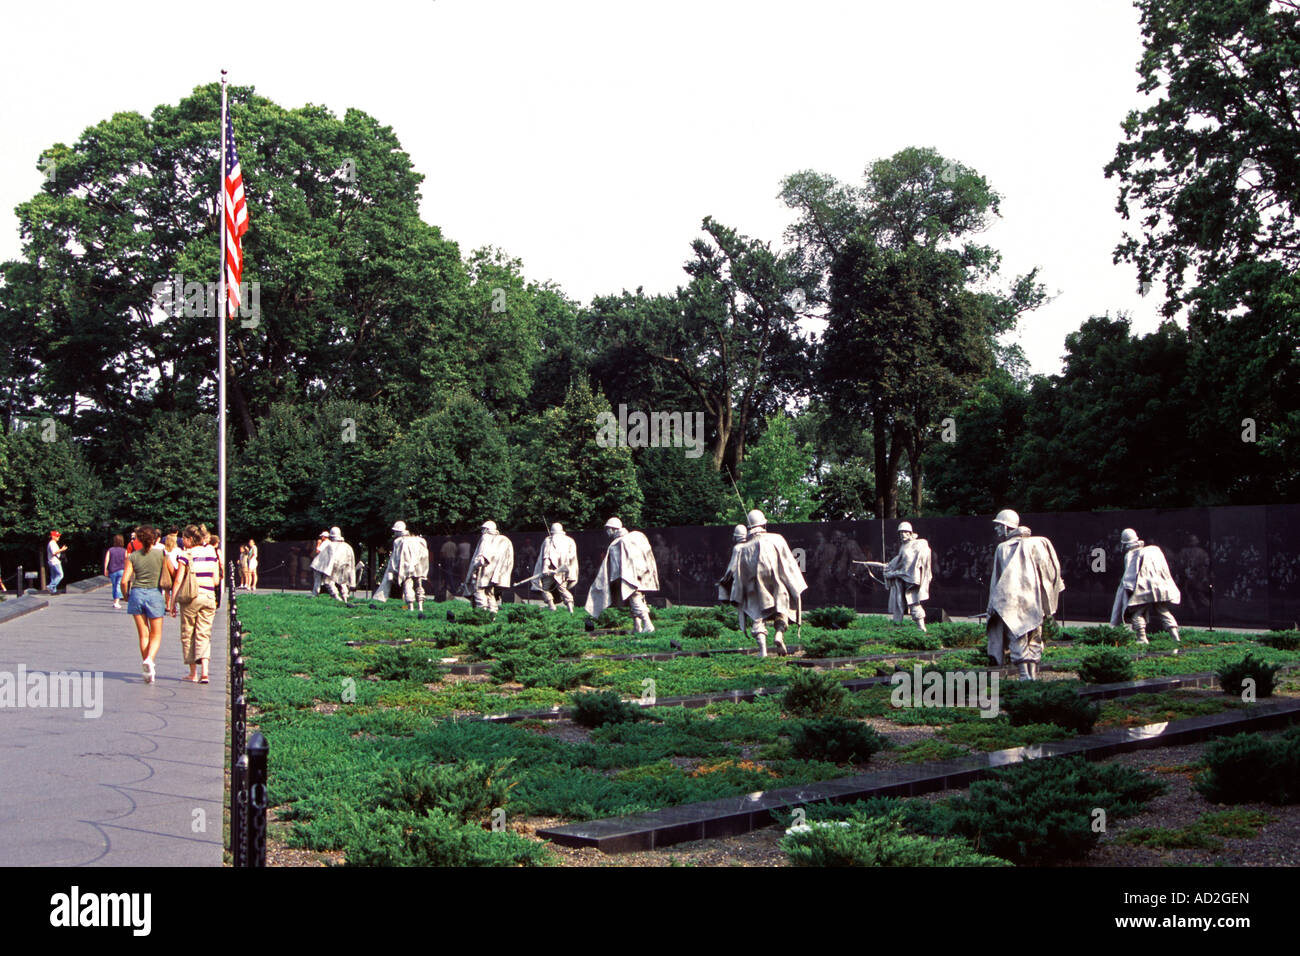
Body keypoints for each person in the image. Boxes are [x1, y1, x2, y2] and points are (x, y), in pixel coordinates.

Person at [986, 509, 1064, 681]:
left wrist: (992, 603)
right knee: (1034, 636)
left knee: (1017, 636)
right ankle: (1031, 675)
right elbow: (1049, 571)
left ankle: (1025, 675)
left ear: (1007, 527)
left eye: (999, 526)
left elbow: (997, 579)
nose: (997, 530)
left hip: (1012, 601)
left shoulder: (1003, 548)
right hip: (1033, 600)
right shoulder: (1037, 544)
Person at [722, 510, 806, 657]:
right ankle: (779, 633)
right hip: (776, 580)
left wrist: (724, 585)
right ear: (764, 523)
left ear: (750, 527)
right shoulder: (777, 538)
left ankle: (763, 651)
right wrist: (794, 583)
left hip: (754, 586)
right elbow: (789, 563)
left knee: (757, 613)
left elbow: (732, 571)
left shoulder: (744, 548)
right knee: (782, 606)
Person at [586, 517, 660, 633]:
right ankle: (637, 626)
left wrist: (615, 579)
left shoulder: (618, 542)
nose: (607, 532)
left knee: (635, 601)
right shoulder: (633, 538)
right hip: (641, 576)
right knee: (635, 600)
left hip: (628, 578)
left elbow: (618, 565)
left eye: (608, 529)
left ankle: (648, 624)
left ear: (614, 529)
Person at [1110, 528, 1182, 643]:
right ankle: (1175, 637)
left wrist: (1128, 591)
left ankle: (1142, 638)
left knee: (1136, 612)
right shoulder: (1153, 551)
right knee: (1163, 610)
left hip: (1143, 589)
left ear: (1124, 543)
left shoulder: (1131, 555)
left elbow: (1130, 576)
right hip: (1159, 588)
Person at [172, 525, 221, 683]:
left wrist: (172, 602)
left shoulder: (186, 554)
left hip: (191, 597)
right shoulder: (212, 552)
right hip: (208, 596)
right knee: (204, 633)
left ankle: (193, 673)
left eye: (184, 539)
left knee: (188, 633)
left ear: (190, 539)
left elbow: (179, 579)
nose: (183, 541)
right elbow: (215, 580)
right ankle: (205, 673)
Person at [863, 521, 933, 631]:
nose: (902, 535)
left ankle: (921, 627)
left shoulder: (919, 544)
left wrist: (892, 573)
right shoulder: (904, 547)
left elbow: (908, 566)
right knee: (898, 601)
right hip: (902, 578)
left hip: (911, 579)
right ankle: (897, 626)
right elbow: (896, 562)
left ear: (910, 533)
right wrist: (885, 568)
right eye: (900, 533)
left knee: (913, 602)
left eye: (904, 532)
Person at [121, 525, 168, 682]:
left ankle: (148, 667)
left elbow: (124, 580)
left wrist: (125, 595)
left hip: (137, 593)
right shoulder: (161, 554)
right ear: (155, 538)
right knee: (156, 634)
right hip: (154, 593)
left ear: (139, 539)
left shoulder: (133, 556)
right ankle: (150, 660)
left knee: (143, 633)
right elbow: (170, 573)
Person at [374, 521, 430, 612]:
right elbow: (424, 555)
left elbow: (394, 558)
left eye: (395, 531)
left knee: (408, 585)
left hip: (406, 568)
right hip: (419, 568)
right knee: (419, 585)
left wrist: (392, 570)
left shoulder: (398, 541)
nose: (394, 533)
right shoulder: (419, 540)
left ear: (399, 531)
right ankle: (420, 607)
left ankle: (411, 608)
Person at [464, 521, 514, 614]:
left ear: (486, 529)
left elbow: (483, 557)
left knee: (478, 591)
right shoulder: (501, 539)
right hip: (492, 574)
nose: (482, 531)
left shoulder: (486, 537)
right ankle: (493, 613)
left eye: (483, 529)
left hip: (482, 571)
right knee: (490, 593)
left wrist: (474, 568)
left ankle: (482, 614)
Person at [532, 523, 579, 612]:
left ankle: (560, 606)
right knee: (555, 588)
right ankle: (559, 607)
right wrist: (546, 568)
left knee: (550, 589)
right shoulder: (565, 541)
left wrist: (550, 568)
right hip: (553, 571)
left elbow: (570, 558)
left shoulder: (553, 540)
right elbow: (547, 556)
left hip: (561, 572)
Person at [716, 524, 751, 633]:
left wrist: (724, 579)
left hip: (741, 582)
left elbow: (732, 567)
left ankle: (742, 628)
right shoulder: (751, 545)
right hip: (752, 580)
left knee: (740, 605)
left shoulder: (737, 548)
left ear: (736, 536)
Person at [322, 527, 357, 603]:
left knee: (328, 581)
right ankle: (345, 597)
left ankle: (336, 596)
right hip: (345, 568)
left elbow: (323, 559)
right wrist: (353, 582)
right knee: (343, 583)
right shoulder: (348, 547)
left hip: (334, 567)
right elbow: (352, 564)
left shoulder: (330, 545)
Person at [103, 534, 128, 609]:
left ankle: (115, 600)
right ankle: (116, 602)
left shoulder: (110, 550)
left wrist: (105, 569)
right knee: (118, 585)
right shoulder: (124, 550)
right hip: (121, 569)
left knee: (114, 585)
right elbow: (127, 560)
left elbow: (107, 559)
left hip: (112, 570)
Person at [162, 533, 182, 615]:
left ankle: (167, 605)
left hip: (166, 570)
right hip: (176, 569)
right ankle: (175, 604)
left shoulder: (164, 550)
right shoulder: (178, 550)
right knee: (176, 588)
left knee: (167, 589)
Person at [46, 530, 67, 595]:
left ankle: (53, 591)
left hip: (52, 561)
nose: (58, 537)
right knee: (60, 575)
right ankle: (50, 586)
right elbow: (54, 552)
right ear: (53, 536)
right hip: (55, 562)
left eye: (59, 536)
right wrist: (62, 549)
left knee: (54, 576)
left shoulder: (53, 543)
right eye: (57, 536)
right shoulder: (52, 543)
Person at [310, 531, 329, 596]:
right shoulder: (331, 543)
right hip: (326, 564)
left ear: (324, 537)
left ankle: (315, 593)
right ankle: (323, 593)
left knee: (317, 579)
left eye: (321, 536)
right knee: (324, 580)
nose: (321, 538)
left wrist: (318, 543)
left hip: (319, 564)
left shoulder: (324, 543)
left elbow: (318, 551)